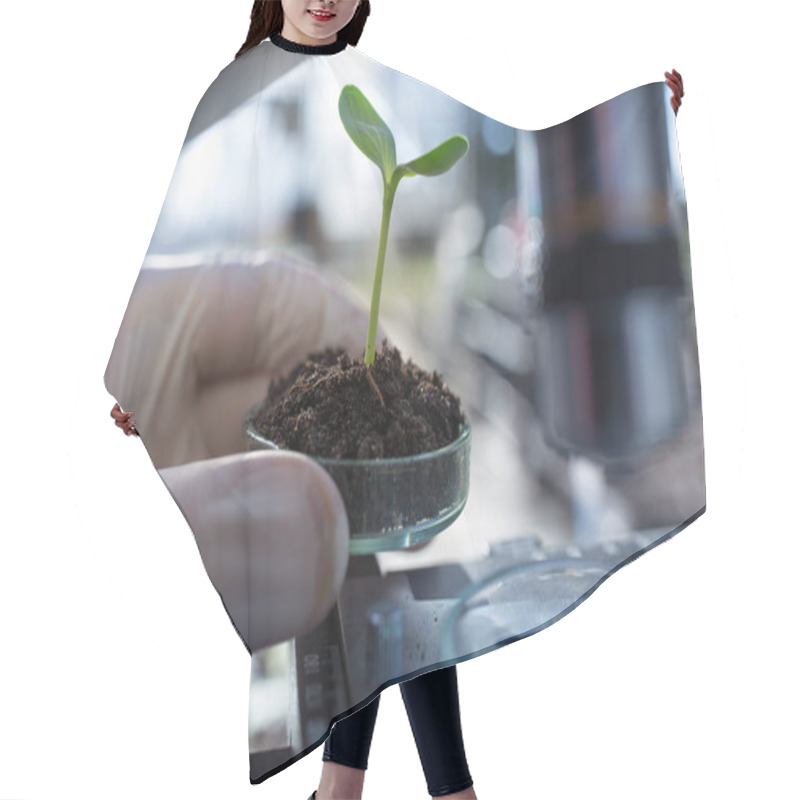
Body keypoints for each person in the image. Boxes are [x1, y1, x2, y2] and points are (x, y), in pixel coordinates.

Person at [110, 2, 686, 797]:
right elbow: (164, 258)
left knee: (379, 584)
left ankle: (353, 788)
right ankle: (428, 789)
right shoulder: (233, 87)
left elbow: (518, 132)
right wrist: (136, 373)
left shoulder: (375, 76)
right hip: (269, 398)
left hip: (336, 390)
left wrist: (638, 115)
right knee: (360, 580)